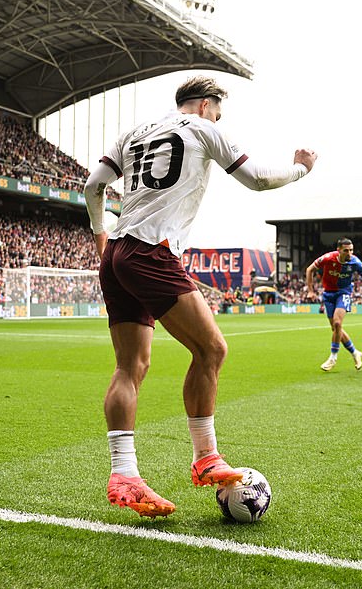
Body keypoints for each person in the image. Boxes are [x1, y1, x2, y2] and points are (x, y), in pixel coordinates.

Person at [83, 75, 316, 517]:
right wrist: (301, 167)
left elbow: (93, 186)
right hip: (153, 251)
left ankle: (125, 474)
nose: (217, 117)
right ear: (208, 105)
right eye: (219, 111)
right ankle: (206, 457)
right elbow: (258, 179)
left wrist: (101, 235)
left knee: (129, 368)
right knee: (211, 349)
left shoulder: (134, 132)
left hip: (117, 251)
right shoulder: (203, 129)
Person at [305, 238, 362, 371]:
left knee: (337, 324)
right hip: (328, 294)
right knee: (336, 329)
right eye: (346, 251)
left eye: (351, 250)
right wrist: (310, 290)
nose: (349, 253)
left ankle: (333, 358)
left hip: (344, 293)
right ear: (338, 251)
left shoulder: (355, 262)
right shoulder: (328, 258)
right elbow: (309, 269)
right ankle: (355, 352)